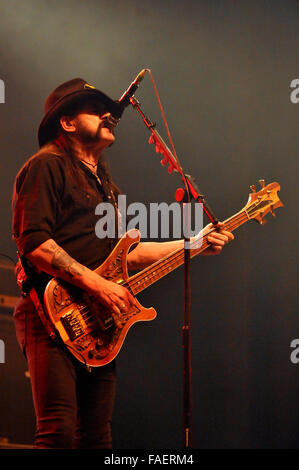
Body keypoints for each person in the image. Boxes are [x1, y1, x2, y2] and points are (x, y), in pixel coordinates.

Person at [12, 78, 234, 449]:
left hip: (98, 324)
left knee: (98, 437)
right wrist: (98, 285)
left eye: (108, 110)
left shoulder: (104, 185)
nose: (108, 115)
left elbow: (125, 254)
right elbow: (34, 242)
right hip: (51, 313)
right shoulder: (46, 165)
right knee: (58, 433)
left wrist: (190, 246)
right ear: (67, 123)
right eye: (93, 109)